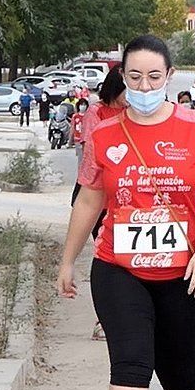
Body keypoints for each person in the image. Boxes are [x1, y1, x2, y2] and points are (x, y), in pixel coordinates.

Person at [56, 34, 195, 390]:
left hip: (184, 272)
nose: (146, 86)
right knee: (130, 365)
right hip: (119, 268)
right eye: (135, 76)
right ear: (123, 78)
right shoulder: (105, 132)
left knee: (180, 372)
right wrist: (67, 260)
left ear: (170, 76)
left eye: (155, 77)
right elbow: (90, 198)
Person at [72, 66, 128, 341]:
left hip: (126, 194)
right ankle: (104, 318)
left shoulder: (137, 112)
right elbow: (94, 150)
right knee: (105, 256)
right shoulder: (98, 112)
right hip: (99, 192)